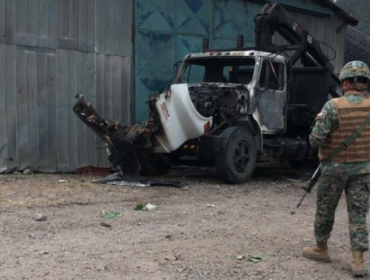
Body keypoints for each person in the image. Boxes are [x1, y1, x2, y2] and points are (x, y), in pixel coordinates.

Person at [302, 61, 370, 277]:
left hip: (334, 168)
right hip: (363, 169)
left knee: (326, 209)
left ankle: (321, 249)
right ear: (365, 83)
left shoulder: (333, 106)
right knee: (358, 213)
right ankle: (358, 260)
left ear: (346, 82)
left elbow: (315, 140)